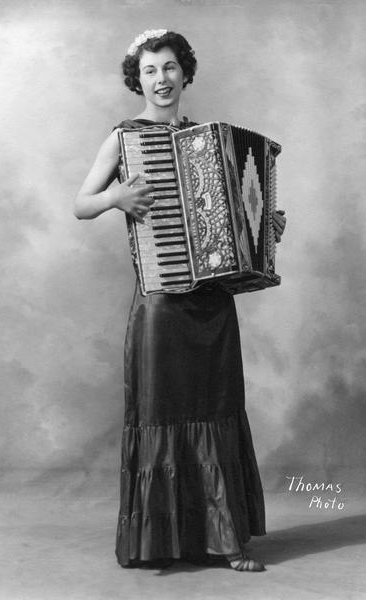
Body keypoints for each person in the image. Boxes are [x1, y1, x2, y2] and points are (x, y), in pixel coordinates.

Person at [74, 29, 286, 572]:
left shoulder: (207, 139)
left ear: (185, 73)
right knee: (163, 412)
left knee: (214, 410)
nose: (160, 79)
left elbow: (239, 218)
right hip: (161, 303)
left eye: (169, 68)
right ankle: (160, 542)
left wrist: (265, 228)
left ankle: (228, 538)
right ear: (137, 79)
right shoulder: (124, 138)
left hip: (211, 306)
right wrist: (117, 197)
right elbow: (81, 203)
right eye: (149, 71)